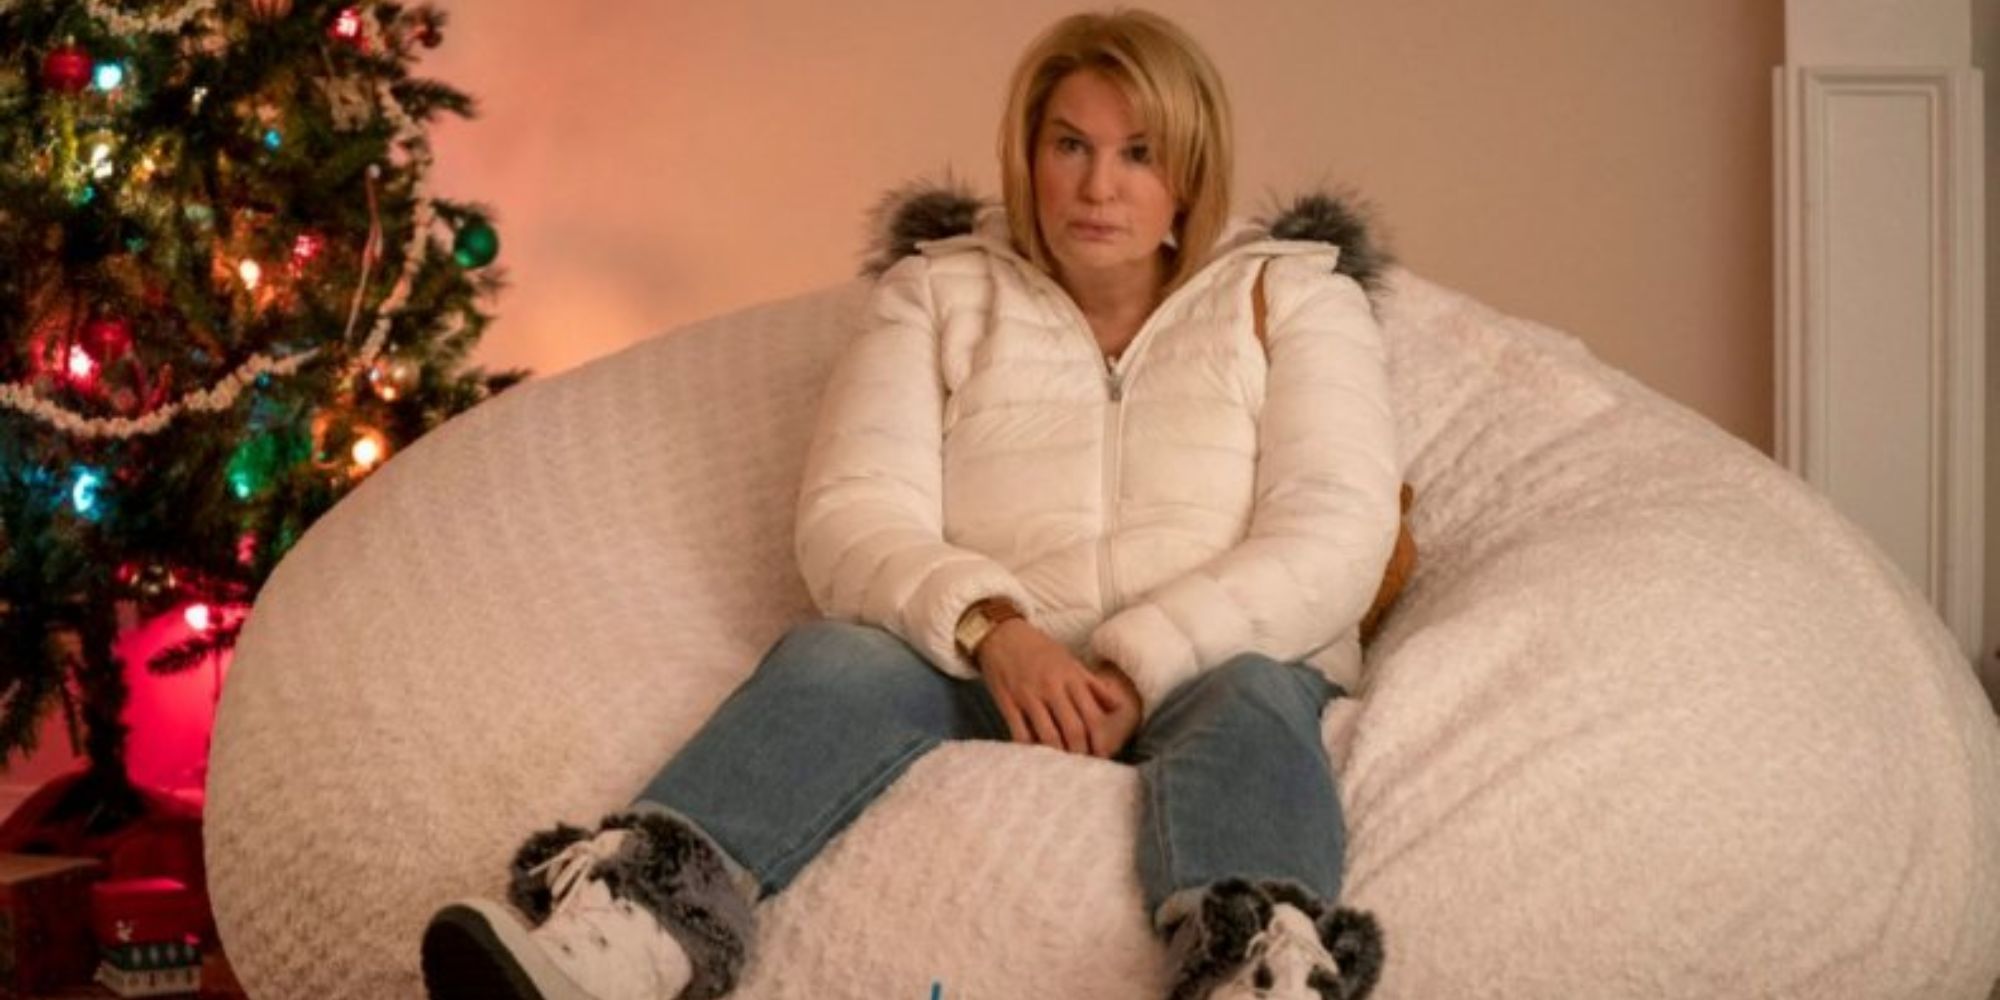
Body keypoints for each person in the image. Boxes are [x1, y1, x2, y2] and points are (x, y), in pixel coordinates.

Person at [420, 9, 1398, 1000]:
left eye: (1137, 154)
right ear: (1028, 155)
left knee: (1255, 691)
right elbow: (852, 509)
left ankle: (1254, 975)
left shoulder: (1292, 296)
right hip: (992, 665)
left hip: (1208, 661)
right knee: (833, 655)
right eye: (1069, 145)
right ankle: (620, 943)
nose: (1098, 186)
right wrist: (994, 627)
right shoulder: (938, 292)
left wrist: (1142, 659)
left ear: (1186, 173)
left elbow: (1334, 528)